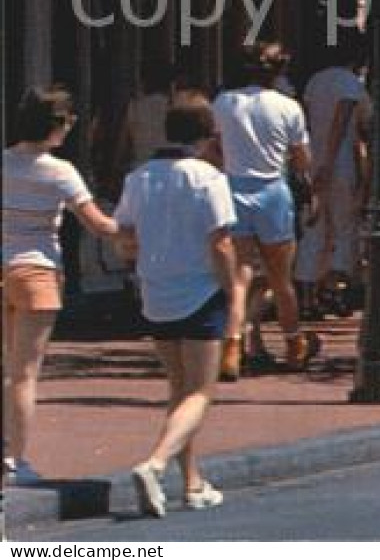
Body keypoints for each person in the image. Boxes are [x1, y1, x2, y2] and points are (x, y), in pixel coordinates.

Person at [116, 100, 238, 517]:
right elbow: (220, 243)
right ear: (207, 136)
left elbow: (124, 237)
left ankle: (191, 483)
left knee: (179, 390)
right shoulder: (208, 179)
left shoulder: (139, 179)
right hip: (200, 293)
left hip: (157, 294)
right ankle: (155, 464)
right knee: (201, 391)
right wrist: (231, 290)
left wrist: (149, 258)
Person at [3, 88, 121, 485]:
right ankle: (15, 461)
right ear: (58, 125)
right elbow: (99, 225)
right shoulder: (60, 171)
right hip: (37, 274)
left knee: (7, 369)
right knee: (25, 373)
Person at [212, 42, 315, 379]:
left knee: (239, 275)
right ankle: (293, 342)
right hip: (272, 190)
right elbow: (302, 160)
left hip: (234, 189)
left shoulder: (224, 103)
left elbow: (214, 149)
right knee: (281, 278)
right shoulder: (288, 107)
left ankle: (232, 346)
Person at [295, 41, 368, 318]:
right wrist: (329, 158)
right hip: (340, 162)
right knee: (343, 225)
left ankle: (308, 293)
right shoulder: (350, 83)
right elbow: (343, 119)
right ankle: (334, 289)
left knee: (315, 225)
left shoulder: (315, 82)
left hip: (314, 156)